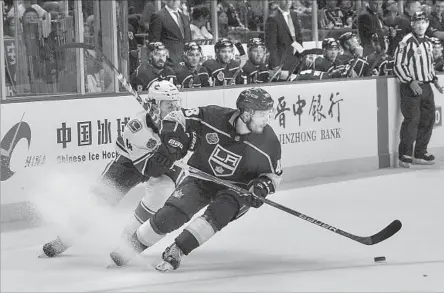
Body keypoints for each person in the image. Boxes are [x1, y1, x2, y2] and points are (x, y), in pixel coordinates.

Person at [109, 87, 282, 271]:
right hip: (202, 178)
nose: (267, 119)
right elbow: (177, 117)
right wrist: (172, 142)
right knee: (170, 214)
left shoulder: (269, 142)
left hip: (237, 190)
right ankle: (131, 247)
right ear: (246, 114)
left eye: (268, 113)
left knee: (219, 212)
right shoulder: (214, 116)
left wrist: (261, 187)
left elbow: (273, 175)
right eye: (261, 114)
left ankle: (178, 249)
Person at [40, 80, 195, 257]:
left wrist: (173, 147)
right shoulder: (136, 128)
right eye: (169, 105)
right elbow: (148, 169)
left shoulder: (184, 120)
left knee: (160, 195)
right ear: (154, 106)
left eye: (176, 104)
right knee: (99, 200)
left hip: (166, 165)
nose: (175, 109)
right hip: (130, 163)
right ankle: (66, 238)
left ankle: (127, 242)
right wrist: (167, 150)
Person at [393, 11, 444, 168]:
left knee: (428, 119)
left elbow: (428, 64)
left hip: (426, 86)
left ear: (427, 24)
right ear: (412, 24)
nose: (421, 25)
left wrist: (434, 80)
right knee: (412, 120)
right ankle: (405, 154)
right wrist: (409, 81)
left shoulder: (428, 42)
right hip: (411, 88)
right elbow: (398, 64)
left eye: (423, 22)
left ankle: (420, 152)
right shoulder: (406, 42)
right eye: (417, 22)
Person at [265, 0, 302, 77]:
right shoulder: (273, 18)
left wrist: (301, 54)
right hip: (281, 61)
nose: (287, 1)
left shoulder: (294, 15)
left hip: (295, 59)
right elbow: (271, 45)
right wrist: (275, 64)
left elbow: (298, 37)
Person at [148, 0, 191, 65]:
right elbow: (154, 41)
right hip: (169, 62)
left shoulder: (185, 17)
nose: (174, 1)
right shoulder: (158, 16)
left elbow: (188, 38)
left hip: (186, 62)